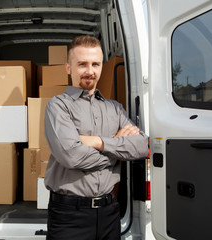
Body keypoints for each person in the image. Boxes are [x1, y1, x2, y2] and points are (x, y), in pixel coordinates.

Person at [44, 35, 149, 240]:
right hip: (69, 216)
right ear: (68, 68)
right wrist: (118, 149)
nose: (90, 71)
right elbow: (71, 157)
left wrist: (98, 142)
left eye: (95, 64)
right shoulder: (58, 106)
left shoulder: (115, 108)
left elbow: (142, 147)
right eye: (82, 64)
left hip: (110, 212)